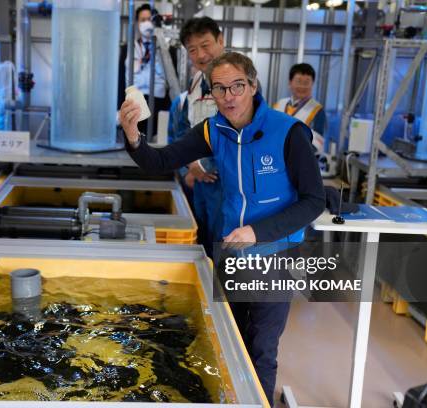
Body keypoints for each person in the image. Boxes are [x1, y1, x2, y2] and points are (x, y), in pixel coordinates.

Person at [120, 52, 325, 407]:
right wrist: (133, 136)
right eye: (220, 88)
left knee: (261, 348)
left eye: (237, 86)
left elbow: (313, 201)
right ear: (211, 92)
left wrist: (258, 232)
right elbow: (162, 160)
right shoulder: (213, 130)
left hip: (275, 257)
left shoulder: (287, 131)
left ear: (253, 85)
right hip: (231, 252)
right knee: (230, 338)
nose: (229, 96)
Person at [167, 17, 225, 257]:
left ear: (221, 41)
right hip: (198, 182)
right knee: (201, 245)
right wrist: (188, 170)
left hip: (227, 183)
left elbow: (242, 134)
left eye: (206, 45)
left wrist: (203, 165)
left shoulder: (242, 82)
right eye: (193, 49)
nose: (201, 55)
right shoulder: (193, 88)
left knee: (227, 248)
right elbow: (180, 133)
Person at [125, 3, 170, 138]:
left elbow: (165, 76)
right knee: (137, 138)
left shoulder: (164, 48)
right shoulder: (132, 47)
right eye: (142, 20)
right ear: (137, 24)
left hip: (158, 99)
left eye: (149, 19)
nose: (146, 23)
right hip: (136, 99)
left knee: (156, 138)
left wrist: (141, 70)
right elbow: (130, 75)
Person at [273, 63, 326, 147]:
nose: (302, 86)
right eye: (298, 81)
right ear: (290, 83)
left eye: (306, 82)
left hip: (301, 156)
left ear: (312, 84)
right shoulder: (279, 104)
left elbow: (317, 142)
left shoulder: (317, 110)